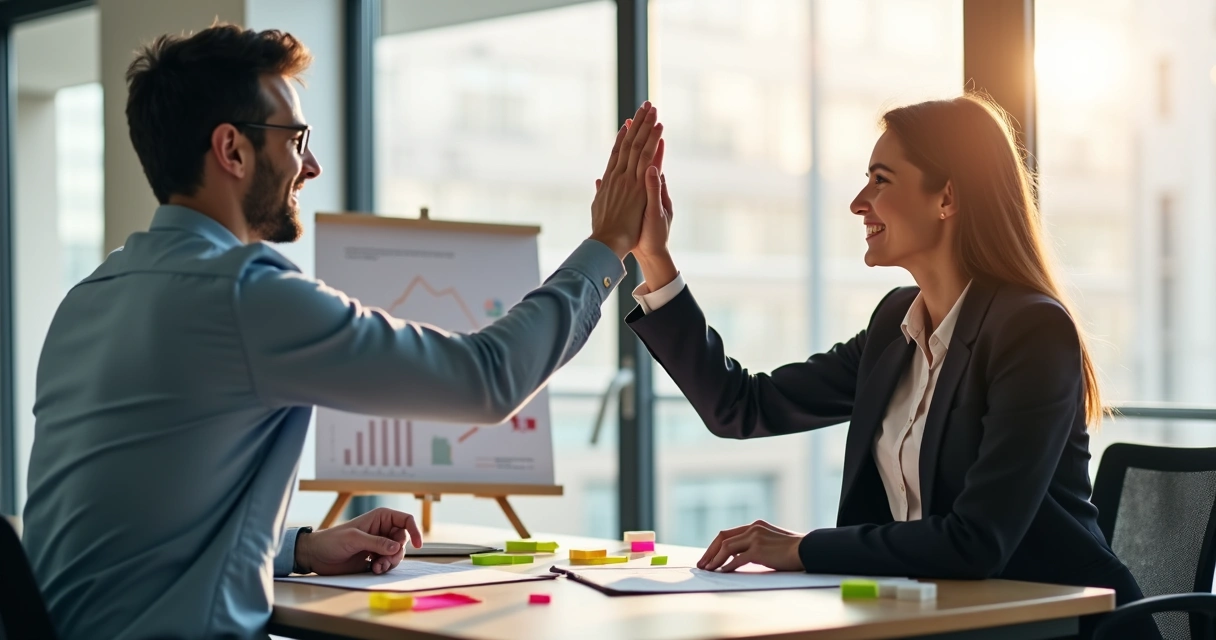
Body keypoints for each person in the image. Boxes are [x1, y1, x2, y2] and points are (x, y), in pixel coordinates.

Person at [21, 25, 664, 640]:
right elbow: (486, 380)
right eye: (296, 139)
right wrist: (608, 245)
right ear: (233, 150)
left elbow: (131, 528)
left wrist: (301, 546)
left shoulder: (89, 297)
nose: (314, 166)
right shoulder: (245, 293)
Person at [625, 94, 1157, 639]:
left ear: (946, 196)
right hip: (938, 619)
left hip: (1054, 626)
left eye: (881, 180)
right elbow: (741, 407)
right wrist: (653, 257)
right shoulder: (894, 325)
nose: (859, 202)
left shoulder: (1030, 331)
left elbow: (976, 542)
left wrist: (802, 549)